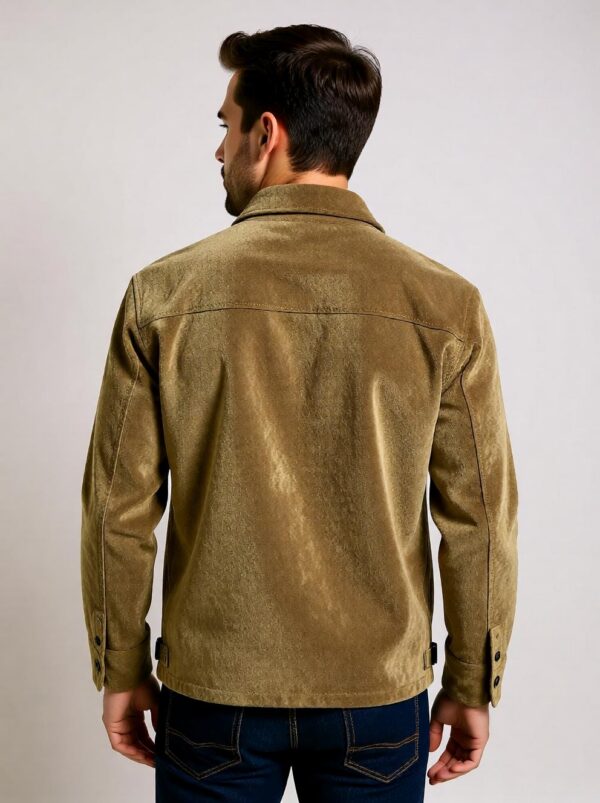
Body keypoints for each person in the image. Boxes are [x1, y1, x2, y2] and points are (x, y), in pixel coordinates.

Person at [80, 23, 519, 803]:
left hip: (213, 691)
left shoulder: (163, 295)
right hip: (376, 694)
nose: (219, 148)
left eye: (225, 125)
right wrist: (471, 680)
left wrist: (120, 667)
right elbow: (480, 517)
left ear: (267, 133)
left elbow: (118, 509)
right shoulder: (446, 305)